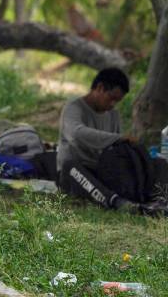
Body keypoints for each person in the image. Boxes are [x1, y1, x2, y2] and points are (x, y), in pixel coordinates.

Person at [57, 68, 168, 211]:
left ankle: (159, 199)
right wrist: (118, 138)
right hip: (77, 173)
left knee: (159, 163)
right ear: (100, 88)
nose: (112, 104)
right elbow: (77, 134)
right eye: (112, 98)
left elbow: (115, 149)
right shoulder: (74, 108)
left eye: (117, 101)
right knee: (70, 166)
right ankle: (116, 202)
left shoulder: (113, 114)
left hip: (102, 171)